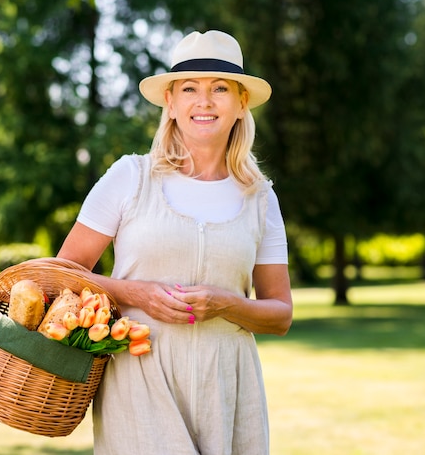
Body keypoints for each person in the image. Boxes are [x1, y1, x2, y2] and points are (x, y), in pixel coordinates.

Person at [57, 30, 292, 455]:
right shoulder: (130, 177)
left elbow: (279, 314)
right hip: (139, 379)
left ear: (241, 104)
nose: (204, 101)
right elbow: (64, 272)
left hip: (228, 387)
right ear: (171, 102)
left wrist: (226, 304)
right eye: (189, 88)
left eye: (220, 88)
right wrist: (137, 294)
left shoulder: (260, 198)